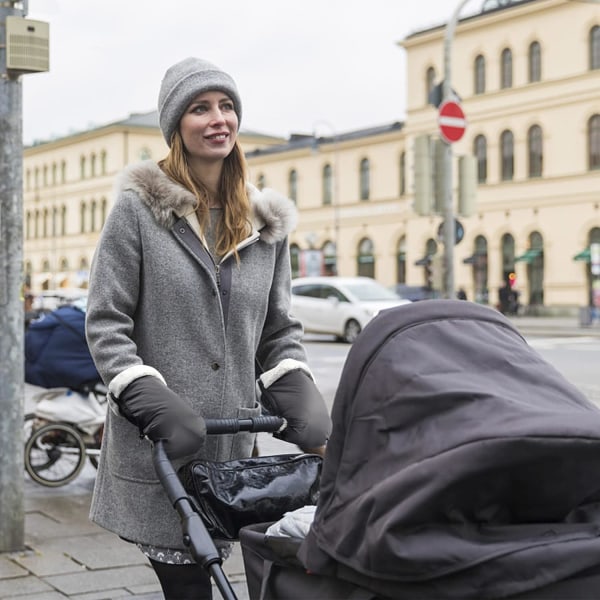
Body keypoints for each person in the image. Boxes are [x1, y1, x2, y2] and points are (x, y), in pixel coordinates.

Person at [85, 57, 331, 600]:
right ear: (177, 127)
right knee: (190, 585)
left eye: (226, 107)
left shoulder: (264, 225)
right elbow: (107, 321)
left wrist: (294, 385)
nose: (218, 119)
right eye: (200, 108)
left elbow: (277, 328)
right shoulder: (139, 212)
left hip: (232, 452)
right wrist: (148, 397)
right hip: (164, 449)